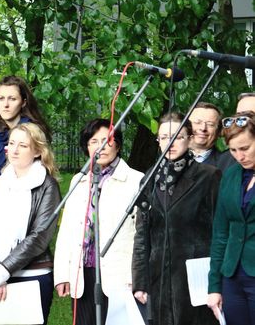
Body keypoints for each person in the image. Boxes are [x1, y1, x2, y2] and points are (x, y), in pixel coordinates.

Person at [132, 112, 221, 325]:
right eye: (163, 137)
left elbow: (220, 232)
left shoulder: (208, 176)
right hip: (159, 277)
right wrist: (140, 280)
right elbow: (142, 234)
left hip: (196, 275)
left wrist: (217, 281)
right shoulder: (150, 178)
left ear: (190, 139)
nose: (169, 143)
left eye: (177, 137)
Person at [53, 119, 143, 324]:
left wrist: (139, 278)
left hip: (120, 274)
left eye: (106, 140)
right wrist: (62, 275)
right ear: (87, 146)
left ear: (117, 145)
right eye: (93, 141)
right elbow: (67, 230)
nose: (100, 146)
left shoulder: (136, 180)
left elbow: (142, 234)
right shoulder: (78, 180)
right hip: (83, 272)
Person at [0, 123, 60, 325]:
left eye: (23, 145)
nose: (15, 150)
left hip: (31, 275)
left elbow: (40, 236)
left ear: (37, 151)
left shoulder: (48, 186)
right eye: (11, 143)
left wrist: (5, 270)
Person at [0, 75, 51, 232]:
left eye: (12, 99)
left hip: (23, 223)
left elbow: (45, 186)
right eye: (1, 98)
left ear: (23, 102)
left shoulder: (35, 136)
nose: (5, 104)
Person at [207, 111, 255, 325]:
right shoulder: (231, 175)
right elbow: (221, 233)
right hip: (232, 275)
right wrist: (214, 286)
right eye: (233, 150)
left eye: (245, 148)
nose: (239, 156)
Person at [189, 102, 235, 172]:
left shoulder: (228, 163)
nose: (203, 128)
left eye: (210, 124)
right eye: (197, 122)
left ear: (219, 131)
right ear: (186, 126)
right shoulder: (171, 155)